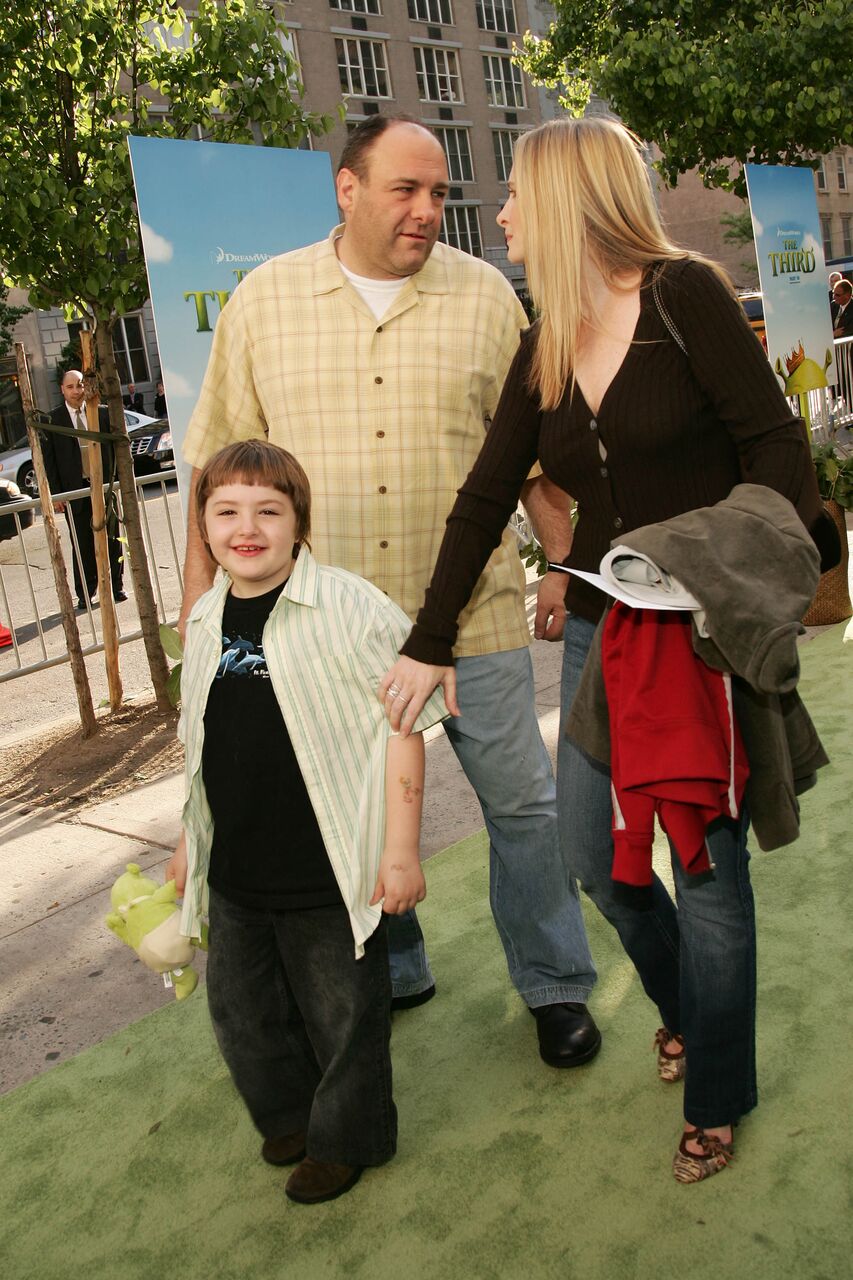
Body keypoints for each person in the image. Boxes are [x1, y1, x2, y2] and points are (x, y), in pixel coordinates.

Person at [381, 117, 836, 1183]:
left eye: (510, 200)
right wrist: (425, 641)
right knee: (594, 855)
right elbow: (486, 495)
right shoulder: (542, 341)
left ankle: (719, 1089)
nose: (496, 219)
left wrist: (714, 562)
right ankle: (683, 1006)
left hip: (701, 632)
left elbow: (778, 451)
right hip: (600, 626)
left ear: (561, 201)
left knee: (707, 871)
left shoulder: (686, 297)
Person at [177, 114, 600, 1068]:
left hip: (471, 616)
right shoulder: (263, 300)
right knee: (352, 806)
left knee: (522, 810)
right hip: (320, 634)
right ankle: (394, 961)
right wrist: (198, 614)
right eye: (406, 190)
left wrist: (565, 569)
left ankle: (555, 985)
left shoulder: (488, 297)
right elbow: (214, 474)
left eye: (439, 193)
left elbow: (530, 459)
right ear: (347, 188)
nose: (426, 210)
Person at [167, 439, 447, 1205]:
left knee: (344, 1018)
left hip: (329, 868)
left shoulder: (351, 607)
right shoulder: (202, 618)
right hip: (237, 872)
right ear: (203, 523)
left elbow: (404, 729)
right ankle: (292, 1115)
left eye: (268, 510)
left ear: (299, 523)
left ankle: (346, 1138)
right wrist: (188, 844)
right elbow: (198, 744)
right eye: (225, 511)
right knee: (242, 1014)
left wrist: (399, 852)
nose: (245, 527)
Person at [41, 369, 126, 609]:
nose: (76, 391)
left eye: (79, 385)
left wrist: (116, 481)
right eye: (70, 387)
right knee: (82, 543)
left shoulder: (101, 413)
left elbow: (116, 450)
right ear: (62, 390)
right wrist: (57, 495)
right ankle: (86, 593)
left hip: (103, 487)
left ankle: (117, 586)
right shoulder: (53, 420)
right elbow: (50, 462)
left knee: (113, 538)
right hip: (74, 490)